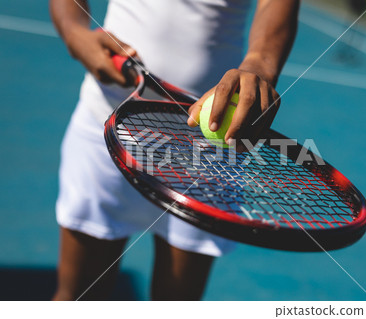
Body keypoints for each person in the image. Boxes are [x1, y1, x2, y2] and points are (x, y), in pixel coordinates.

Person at [50, 0, 300, 300]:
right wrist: (74, 31)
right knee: (78, 298)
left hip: (209, 151)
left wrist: (260, 63)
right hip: (105, 119)